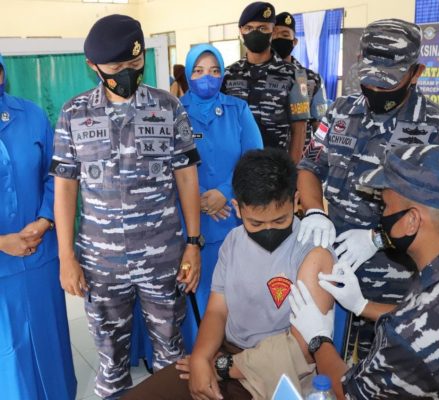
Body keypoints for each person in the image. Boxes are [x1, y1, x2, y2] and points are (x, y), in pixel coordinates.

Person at [50, 14, 201, 399]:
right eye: (116, 69)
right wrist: (66, 257)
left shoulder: (168, 107)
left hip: (164, 255)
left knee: (171, 352)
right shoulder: (74, 113)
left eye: (135, 63)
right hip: (102, 263)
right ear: (93, 66)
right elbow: (65, 189)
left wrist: (193, 243)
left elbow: (186, 177)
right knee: (110, 360)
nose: (128, 73)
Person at [122, 148, 335, 400]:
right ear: (237, 208)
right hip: (228, 356)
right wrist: (201, 358)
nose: (268, 230)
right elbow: (217, 310)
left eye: (280, 221)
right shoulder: (233, 241)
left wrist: (221, 367)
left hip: (278, 372)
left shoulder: (312, 251)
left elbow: (304, 347)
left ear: (296, 200)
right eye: (256, 223)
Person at [297, 18, 439, 360]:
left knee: (383, 373)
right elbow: (309, 165)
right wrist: (315, 211)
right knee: (329, 362)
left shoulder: (433, 126)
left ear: (416, 73)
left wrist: (377, 238)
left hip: (398, 285)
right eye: (369, 78)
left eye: (387, 81)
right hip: (335, 269)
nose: (375, 88)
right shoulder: (340, 112)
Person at [291, 144, 439, 398]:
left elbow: (350, 392)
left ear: (412, 220)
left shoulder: (407, 341)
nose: (382, 215)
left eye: (386, 206)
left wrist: (318, 339)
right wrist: (363, 306)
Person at [0, 55, 76, 399]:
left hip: (41, 254)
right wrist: (3, 242)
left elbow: (56, 175)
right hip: (3, 268)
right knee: (11, 354)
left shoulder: (31, 115)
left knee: (50, 338)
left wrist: (45, 220)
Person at [180, 44, 263, 346]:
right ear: (188, 74)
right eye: (199, 71)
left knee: (232, 290)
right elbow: (164, 165)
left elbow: (254, 158)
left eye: (215, 71)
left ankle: (233, 352)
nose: (208, 77)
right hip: (189, 221)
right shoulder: (173, 112)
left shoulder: (237, 110)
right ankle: (197, 353)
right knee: (194, 292)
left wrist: (224, 192)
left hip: (232, 217)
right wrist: (199, 197)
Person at [221, 1, 310, 164]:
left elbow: (300, 129)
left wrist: (291, 172)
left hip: (275, 168)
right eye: (249, 28)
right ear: (241, 31)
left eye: (262, 28)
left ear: (273, 31)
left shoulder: (295, 75)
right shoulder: (228, 75)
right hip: (236, 167)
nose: (255, 33)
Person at [272, 11, 328, 150]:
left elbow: (320, 126)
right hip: (262, 155)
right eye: (274, 34)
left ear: (294, 41)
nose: (278, 38)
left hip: (298, 155)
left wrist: (316, 158)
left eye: (285, 35)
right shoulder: (257, 74)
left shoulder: (311, 79)